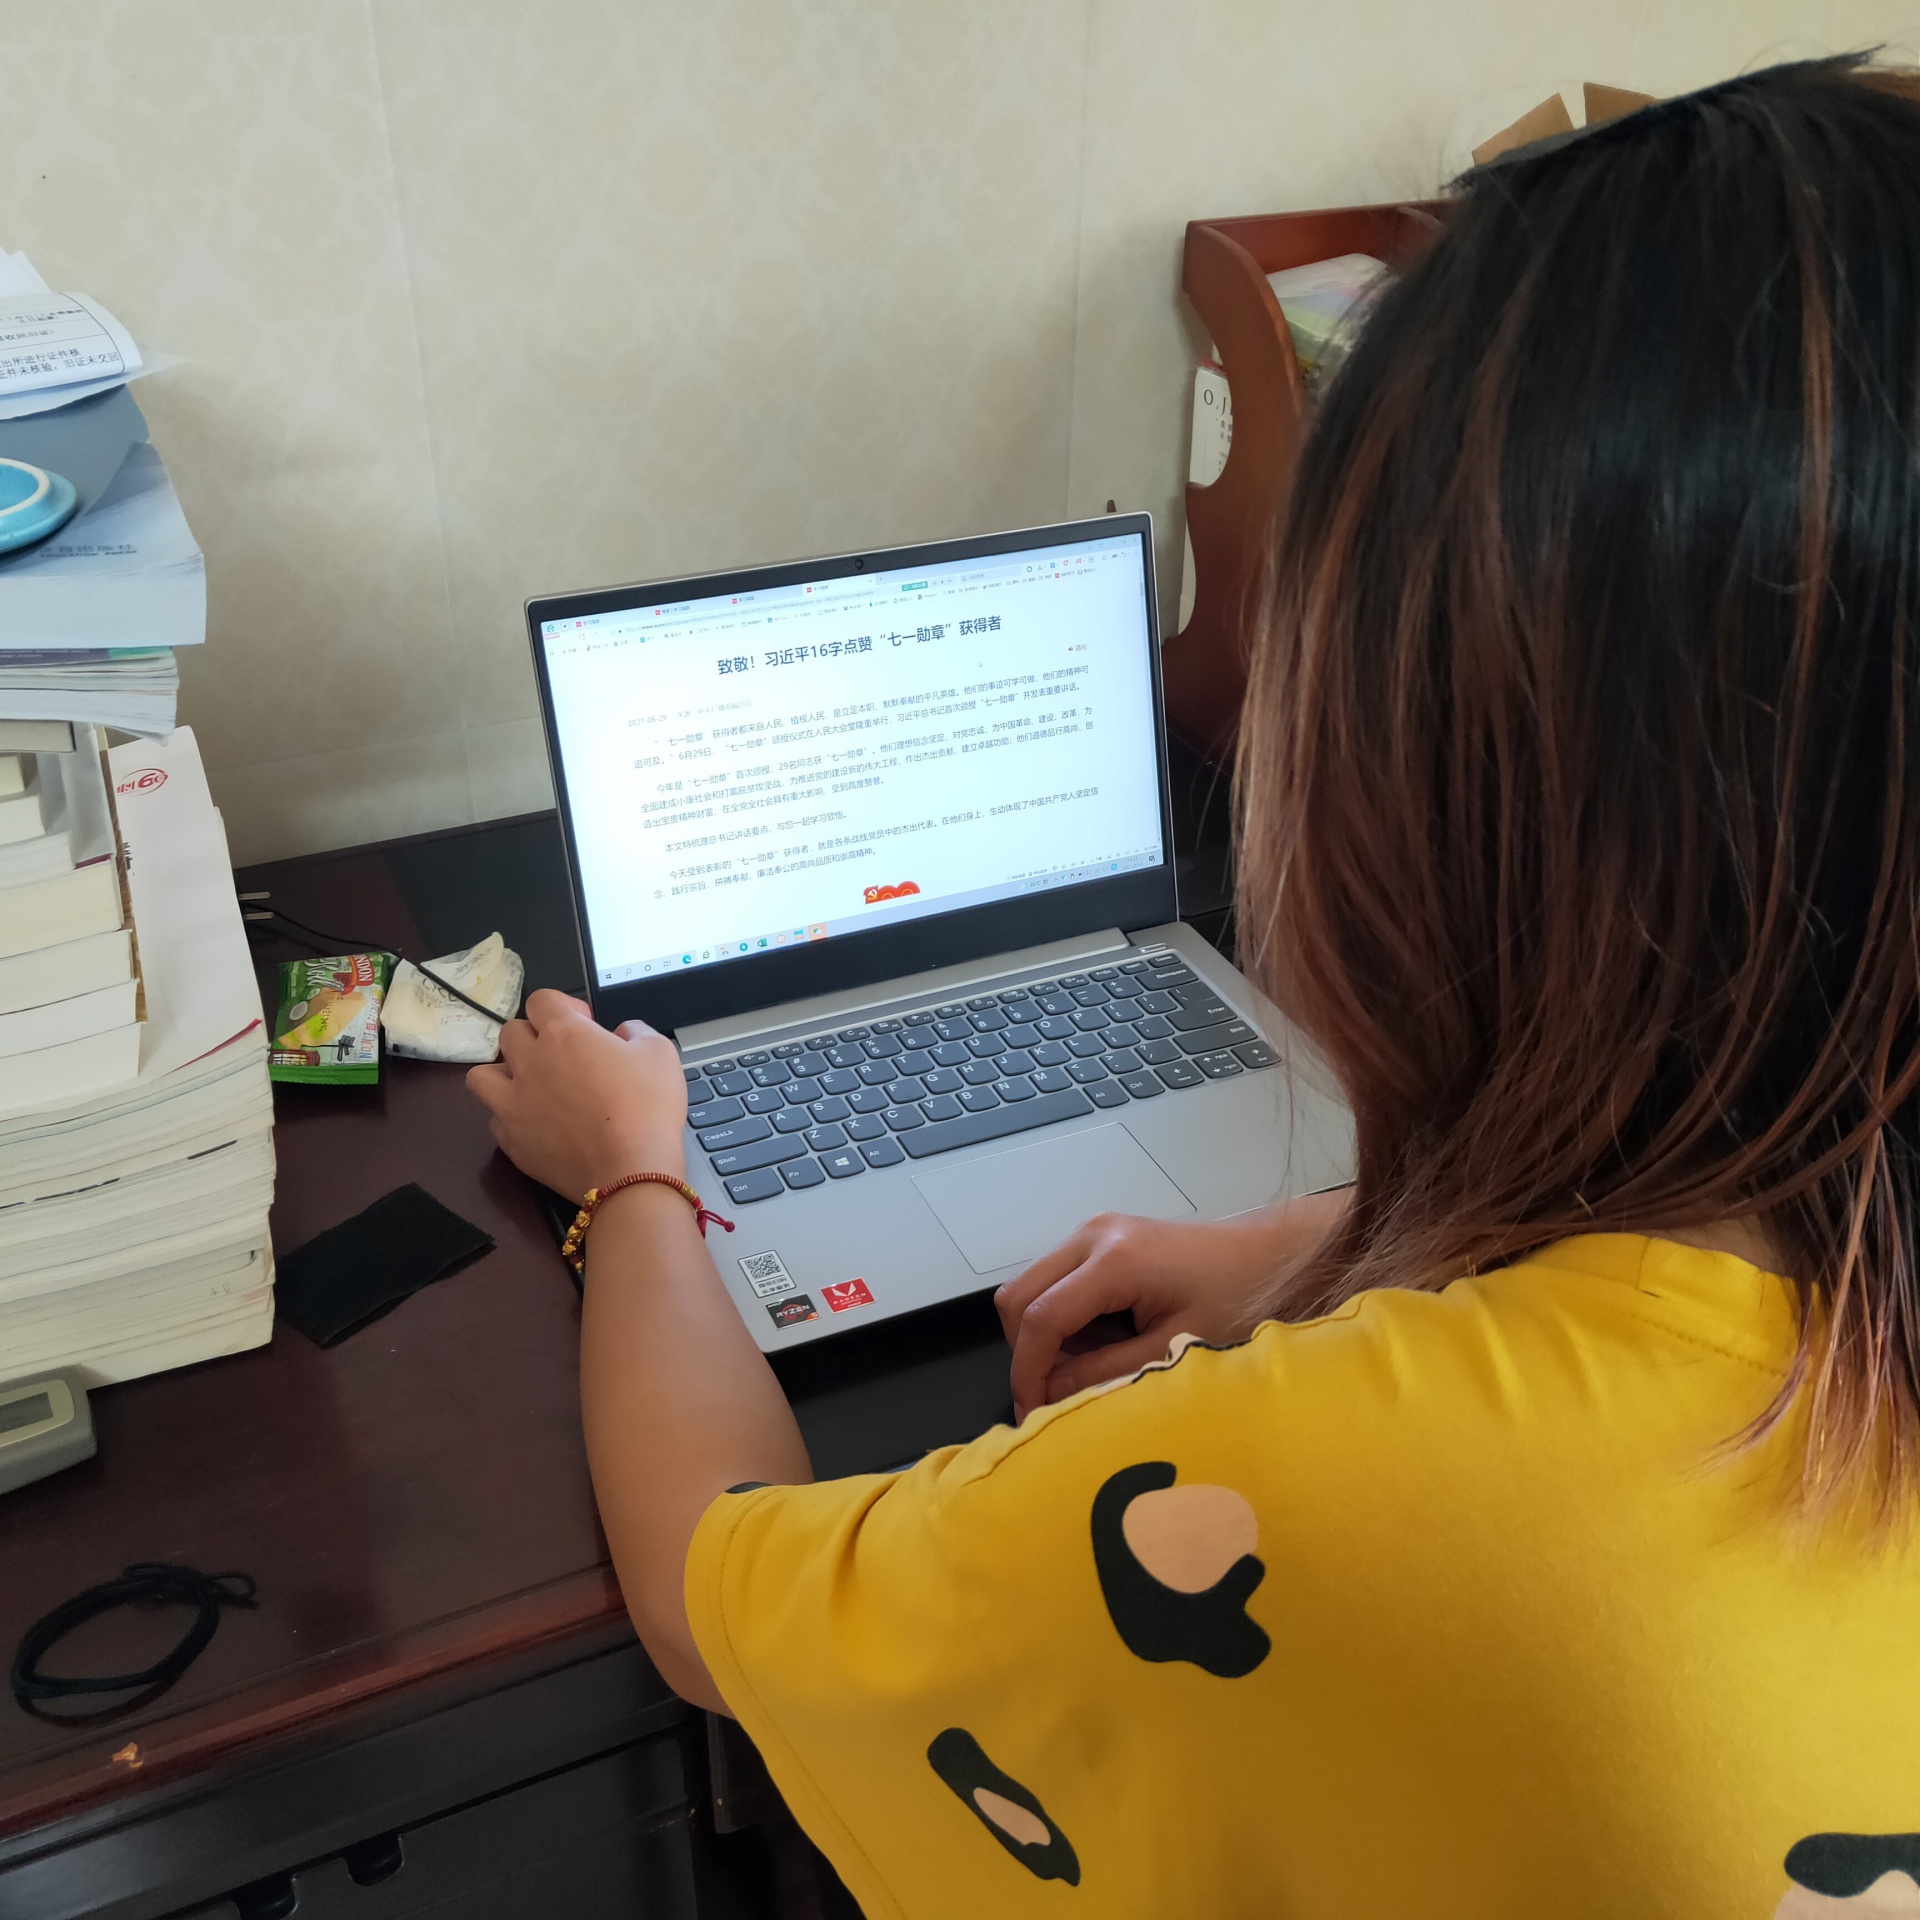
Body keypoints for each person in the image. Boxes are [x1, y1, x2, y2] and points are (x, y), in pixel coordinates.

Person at [468, 59, 1920, 1918]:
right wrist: (1339, 1243)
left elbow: (714, 1588)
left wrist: (632, 1169)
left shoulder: (1290, 1494)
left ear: (1433, 814)